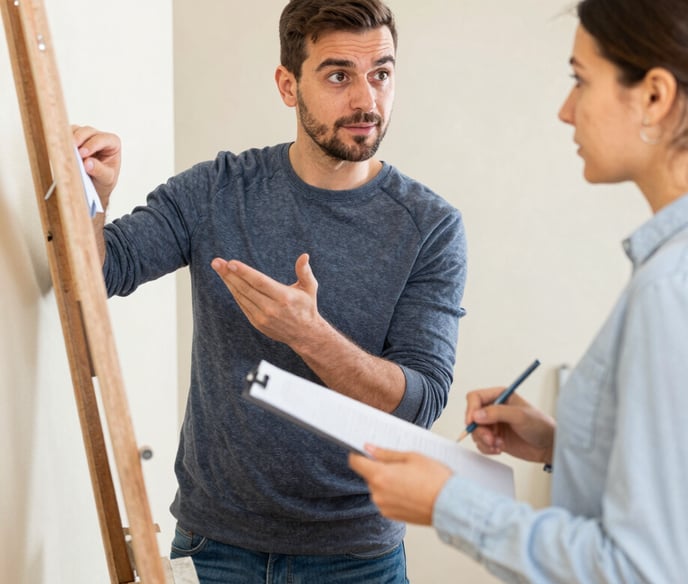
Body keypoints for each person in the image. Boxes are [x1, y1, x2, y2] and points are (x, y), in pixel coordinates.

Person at [350, 0, 688, 582]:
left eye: (580, 80)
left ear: (655, 96)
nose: (565, 111)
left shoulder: (684, 288)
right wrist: (565, 444)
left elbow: (645, 571)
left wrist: (447, 502)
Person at [74, 0, 467, 581]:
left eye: (381, 74)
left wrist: (309, 337)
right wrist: (95, 198)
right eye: (339, 75)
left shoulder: (430, 226)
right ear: (289, 85)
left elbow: (419, 403)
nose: (366, 100)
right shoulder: (217, 190)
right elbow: (105, 271)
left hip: (356, 555)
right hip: (216, 545)